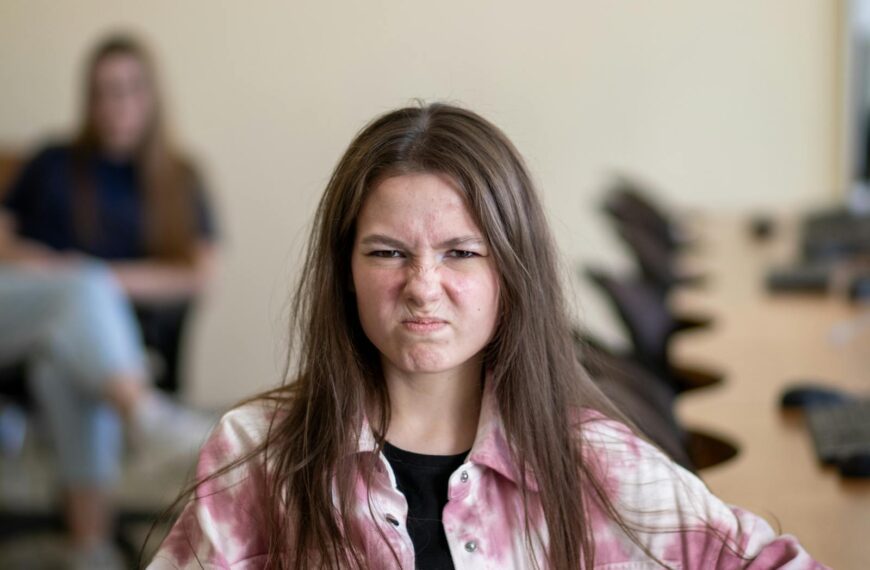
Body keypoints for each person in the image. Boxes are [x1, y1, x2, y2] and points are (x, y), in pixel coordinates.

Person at [148, 103, 824, 569]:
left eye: (460, 253)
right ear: (344, 271)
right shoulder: (262, 455)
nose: (421, 284)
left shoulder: (588, 463)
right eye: (386, 253)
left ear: (511, 270)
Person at [0, 34, 218, 568]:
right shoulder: (52, 161)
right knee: (81, 294)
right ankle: (144, 415)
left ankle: (89, 547)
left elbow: (196, 273)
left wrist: (105, 281)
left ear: (150, 97)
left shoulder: (179, 177)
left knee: (64, 365)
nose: (116, 104)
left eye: (128, 90)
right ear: (88, 100)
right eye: (103, 92)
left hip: (75, 345)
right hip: (17, 308)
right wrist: (68, 275)